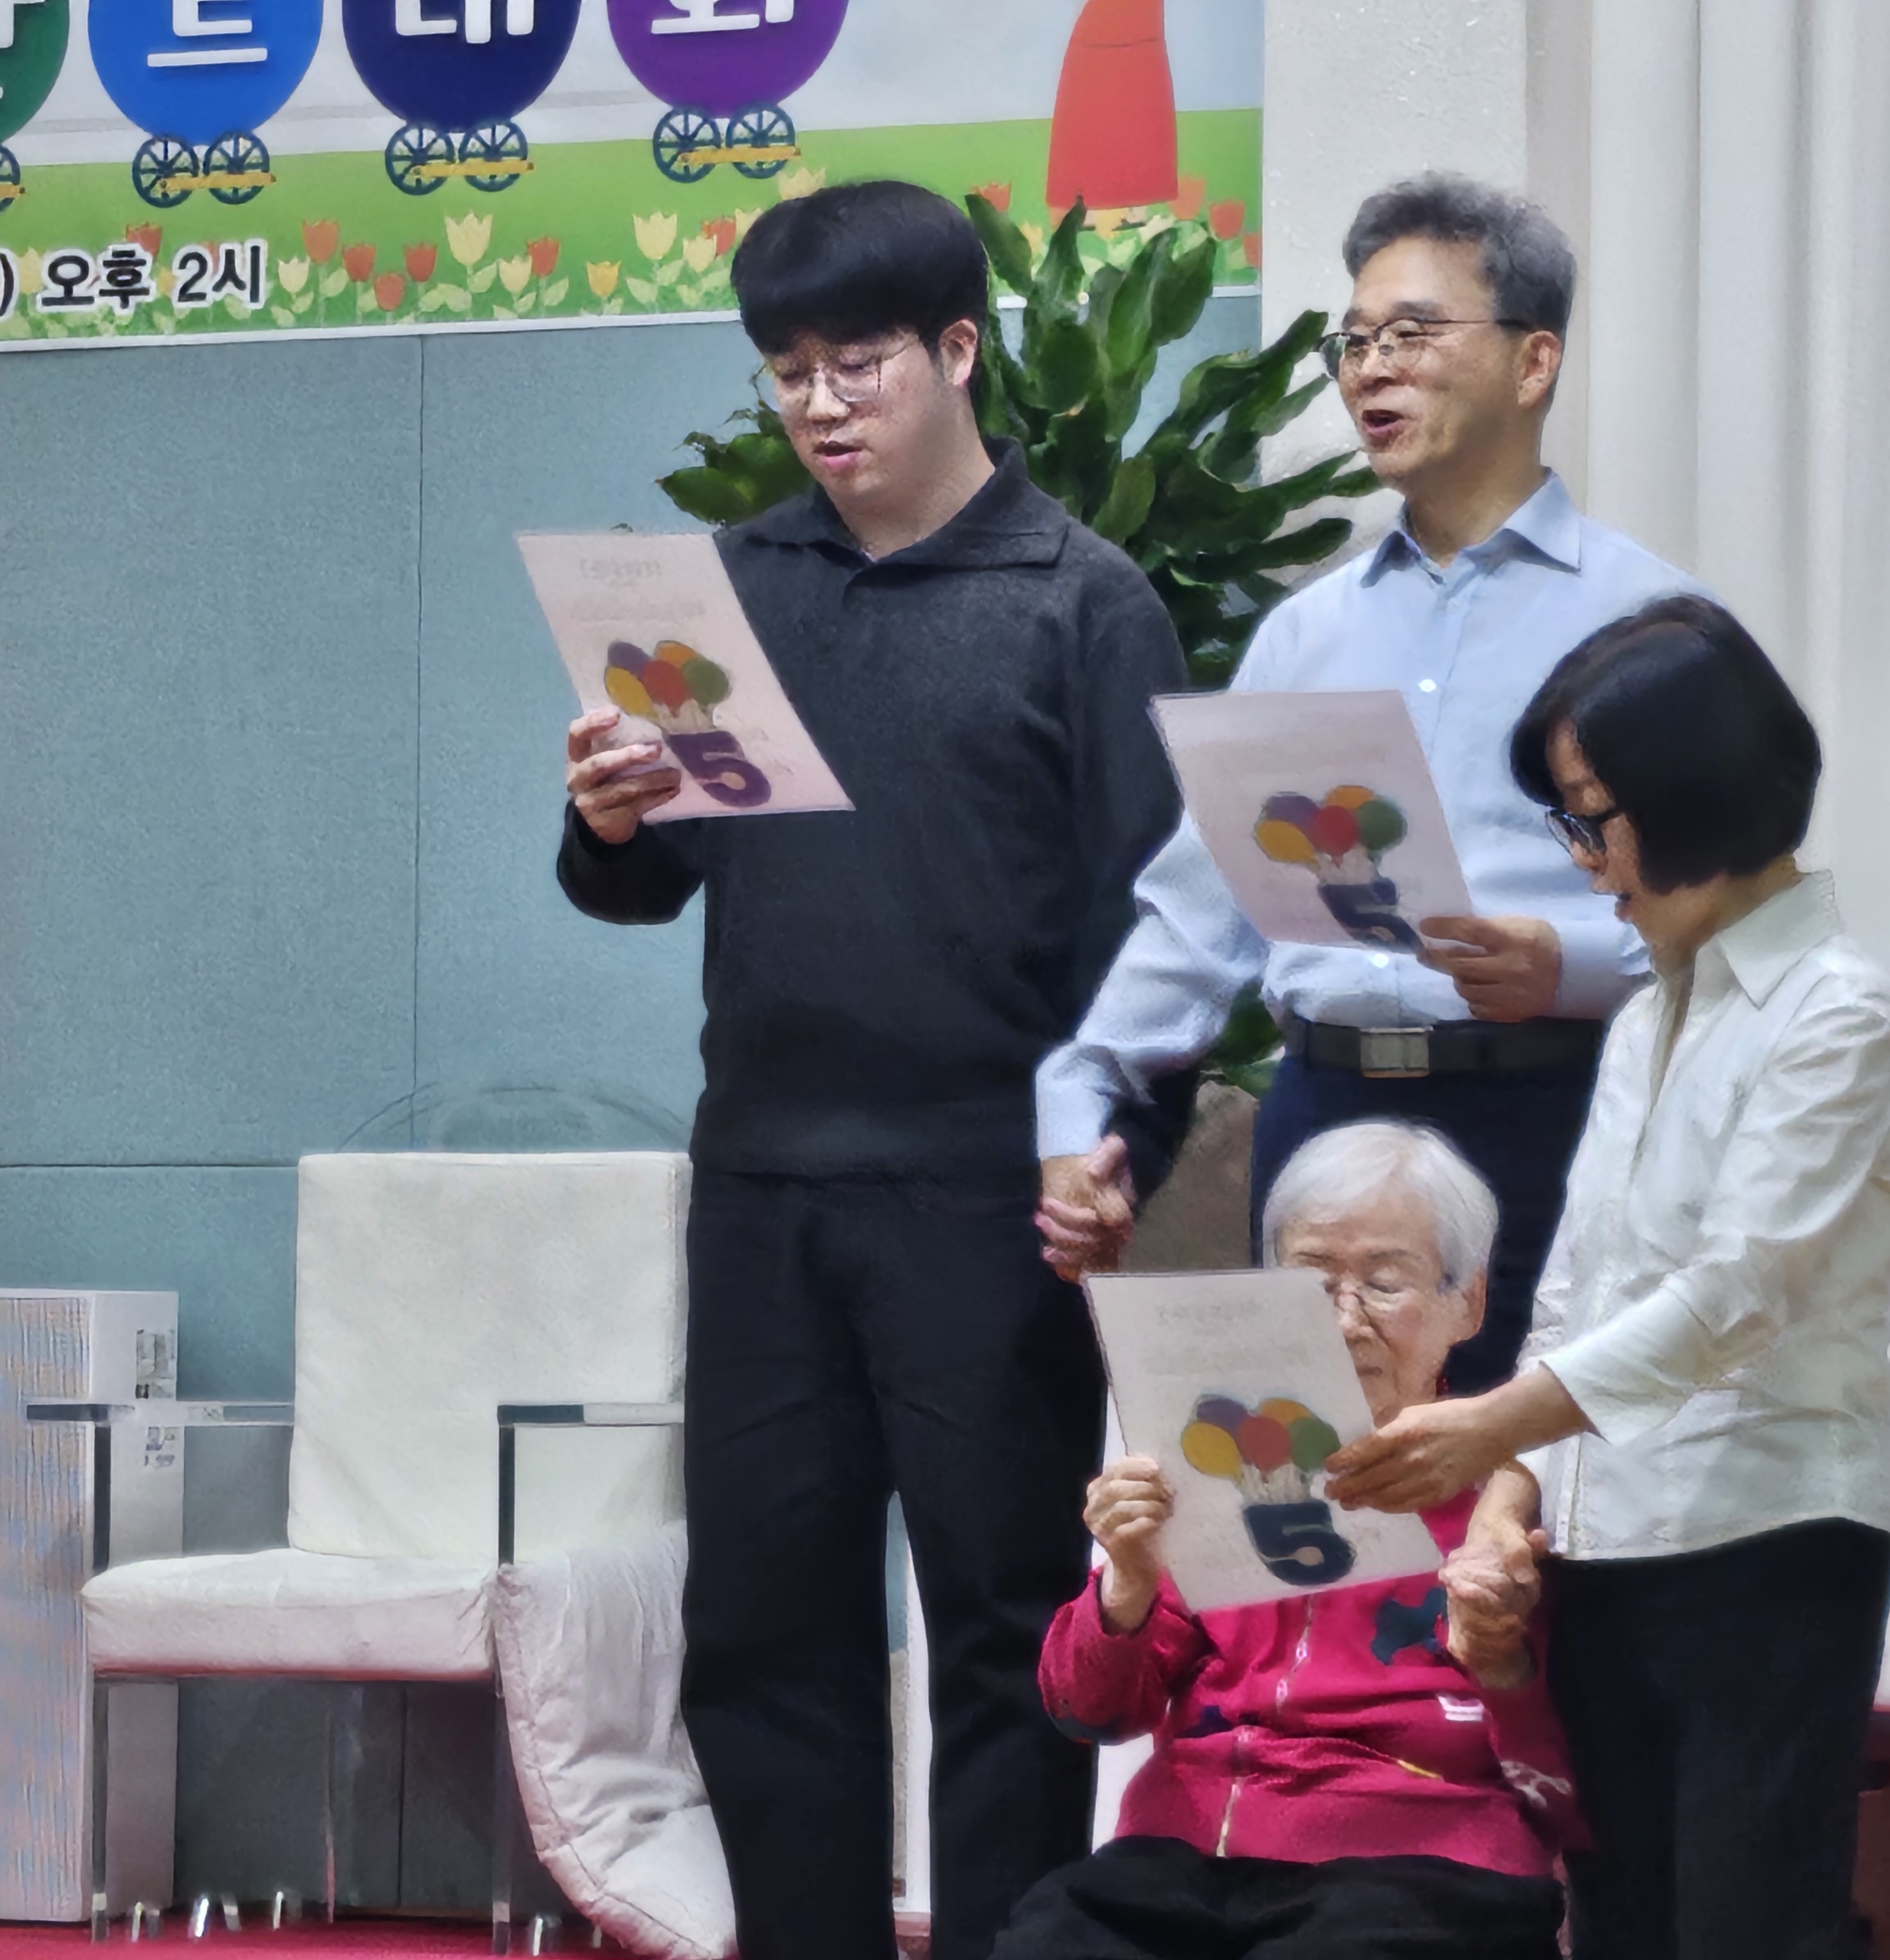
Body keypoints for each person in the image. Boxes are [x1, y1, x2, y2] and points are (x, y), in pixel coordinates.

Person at [555, 180, 1188, 1960]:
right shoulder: (731, 594)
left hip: (989, 1201)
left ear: (958, 349)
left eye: (860, 363)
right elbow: (644, 880)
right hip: (762, 1190)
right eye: (789, 372)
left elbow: (1158, 932)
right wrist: (608, 817)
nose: (821, 405)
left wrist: (1113, 1151)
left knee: (1004, 1632)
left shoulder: (1084, 602)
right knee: (765, 1637)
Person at [1326, 595, 1890, 1959]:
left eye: (1592, 818)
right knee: (1615, 1929)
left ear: (1693, 793)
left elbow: (1733, 1300)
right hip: (1599, 1548)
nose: (1583, 860)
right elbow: (1576, 1293)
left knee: (1745, 1928)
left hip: (1766, 1536)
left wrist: (1489, 1425)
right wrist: (1504, 1502)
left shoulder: (1840, 1017)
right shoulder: (1651, 1012)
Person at [1034, 173, 1709, 1394]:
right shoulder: (1305, 635)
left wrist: (1566, 965)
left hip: (1550, 1115)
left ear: (1534, 361)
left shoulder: (1652, 622)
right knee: (1331, 1497)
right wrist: (1085, 1087)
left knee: (1539, 1494)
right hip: (1324, 1121)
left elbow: (1730, 918)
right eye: (1354, 343)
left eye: (1412, 334)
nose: (1370, 371)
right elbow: (1202, 913)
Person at [993, 1120, 1580, 1960]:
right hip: (1188, 1852)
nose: (1342, 1320)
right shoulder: (1215, 1458)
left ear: (1469, 1303)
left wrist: (1502, 1664)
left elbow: (1575, 1789)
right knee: (1047, 1940)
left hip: (1421, 1855)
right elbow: (1086, 1712)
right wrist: (1125, 1584)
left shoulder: (1514, 1491)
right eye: (1311, 1281)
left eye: (1384, 1283)